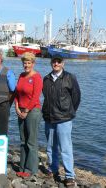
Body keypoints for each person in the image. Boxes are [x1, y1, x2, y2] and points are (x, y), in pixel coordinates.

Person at [42, 55, 81, 187]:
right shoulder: (46, 79)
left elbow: (76, 97)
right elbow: (45, 97)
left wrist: (69, 111)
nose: (56, 64)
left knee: (65, 148)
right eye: (54, 61)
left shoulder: (70, 77)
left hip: (64, 118)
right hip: (49, 118)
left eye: (59, 62)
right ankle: (53, 169)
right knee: (50, 146)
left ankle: (70, 175)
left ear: (63, 64)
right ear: (51, 63)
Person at [15, 52, 43, 177]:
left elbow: (35, 96)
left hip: (32, 111)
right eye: (24, 63)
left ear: (33, 63)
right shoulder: (21, 75)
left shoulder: (37, 77)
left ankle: (31, 169)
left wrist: (26, 111)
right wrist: (16, 107)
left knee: (31, 141)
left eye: (28, 63)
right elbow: (17, 93)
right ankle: (22, 166)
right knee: (23, 140)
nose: (26, 65)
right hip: (20, 110)